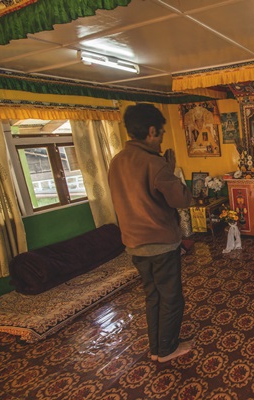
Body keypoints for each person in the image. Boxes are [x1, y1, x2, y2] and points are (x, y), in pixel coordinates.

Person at [108, 103, 193, 363]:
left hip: (134, 244)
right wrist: (171, 169)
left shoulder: (117, 160)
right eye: (162, 134)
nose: (162, 139)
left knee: (152, 295)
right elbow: (181, 199)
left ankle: (157, 347)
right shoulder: (154, 163)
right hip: (160, 243)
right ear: (152, 131)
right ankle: (167, 350)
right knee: (171, 297)